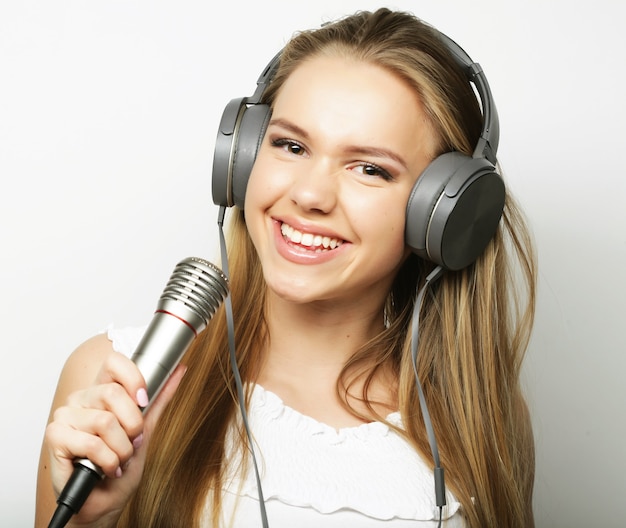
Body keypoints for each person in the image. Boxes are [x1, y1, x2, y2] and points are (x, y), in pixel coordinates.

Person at [35, 7, 536, 528]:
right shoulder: (113, 385)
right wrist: (88, 520)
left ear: (441, 214)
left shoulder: (483, 421)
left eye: (370, 168)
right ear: (243, 157)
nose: (309, 195)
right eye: (291, 145)